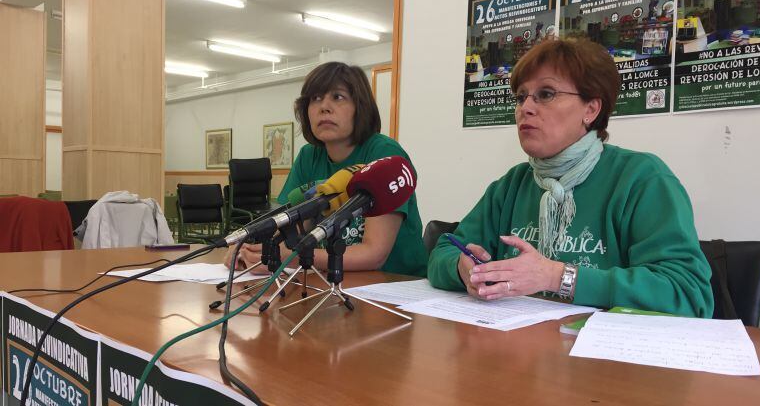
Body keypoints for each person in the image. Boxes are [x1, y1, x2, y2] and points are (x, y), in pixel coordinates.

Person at [428, 38, 714, 318]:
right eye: (521, 96)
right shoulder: (512, 185)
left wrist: (557, 277)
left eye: (546, 93)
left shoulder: (642, 179)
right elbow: (443, 253)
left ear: (591, 109)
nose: (525, 107)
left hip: (606, 358)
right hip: (517, 350)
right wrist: (462, 268)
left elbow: (687, 293)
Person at [224, 62, 428, 277]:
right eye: (316, 98)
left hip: (394, 284)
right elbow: (285, 227)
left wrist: (292, 257)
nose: (324, 107)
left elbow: (374, 254)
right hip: (329, 278)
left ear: (361, 107)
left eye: (338, 97)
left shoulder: (384, 153)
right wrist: (248, 247)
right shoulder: (308, 156)